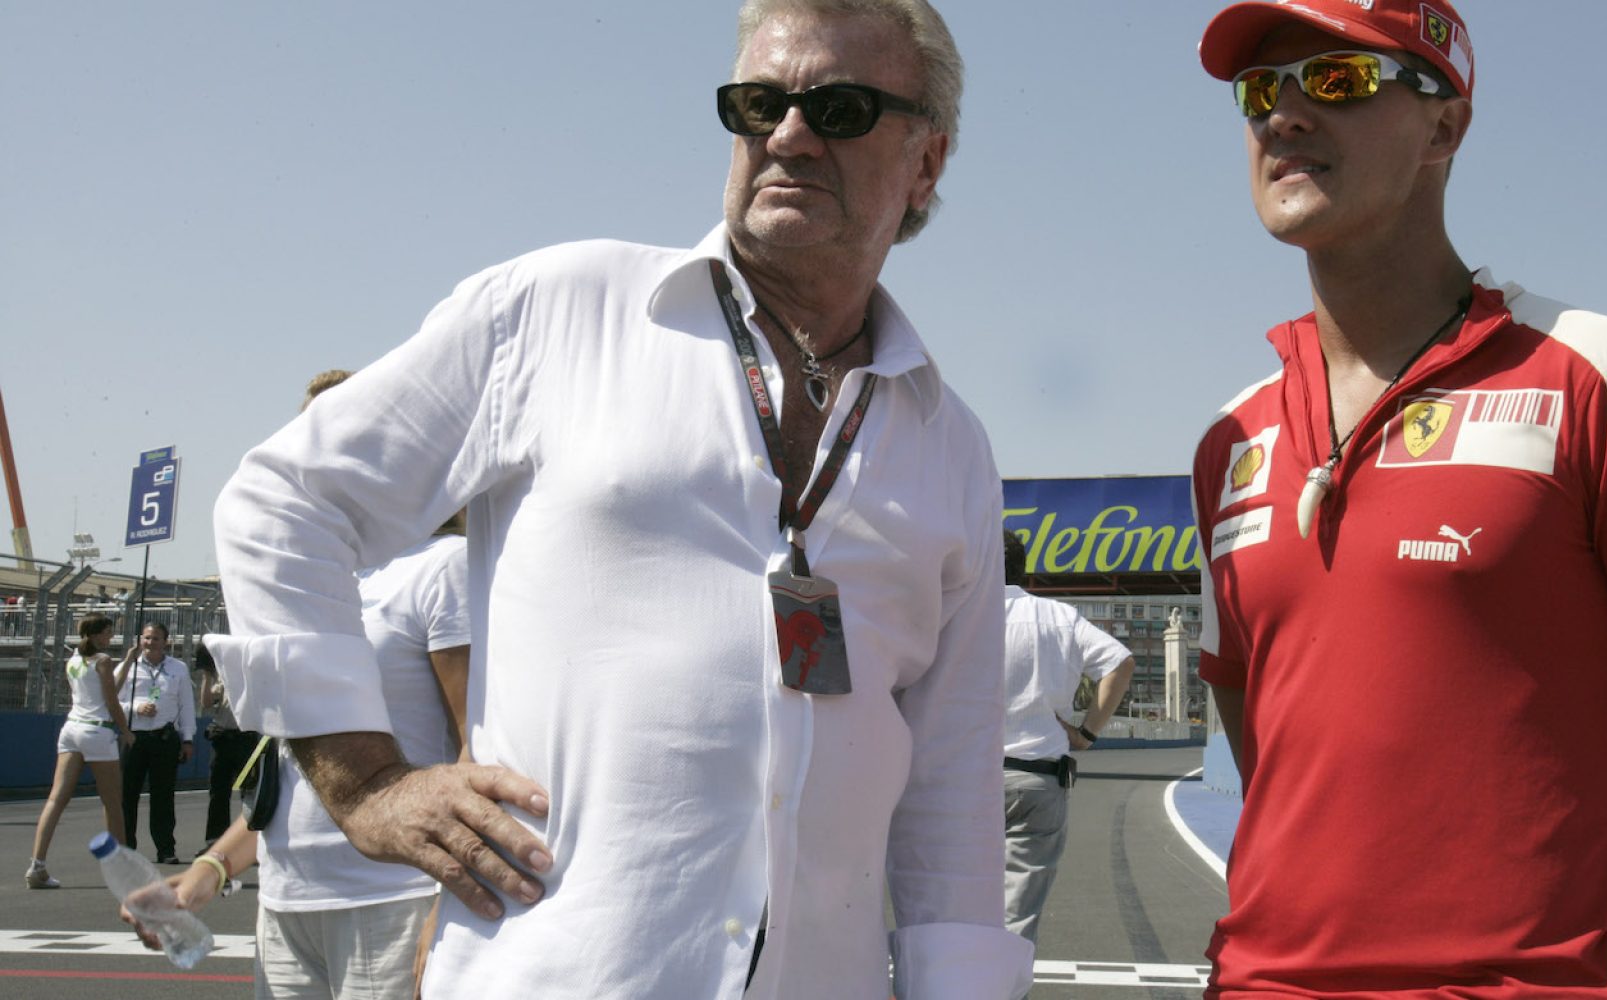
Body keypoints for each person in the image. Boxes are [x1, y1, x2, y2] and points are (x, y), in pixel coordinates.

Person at [205, 2, 1028, 997]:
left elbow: (951, 778)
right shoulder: (560, 310)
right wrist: (365, 779)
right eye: (758, 103)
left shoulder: (950, 443)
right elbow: (281, 502)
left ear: (927, 162)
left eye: (840, 108)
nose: (788, 135)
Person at [1187, 3, 1607, 998]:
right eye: (1261, 90)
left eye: (1337, 81)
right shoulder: (1231, 439)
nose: (1284, 115)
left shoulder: (1605, 372)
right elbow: (1273, 767)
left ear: (1444, 127)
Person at [126, 368, 474, 998]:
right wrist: (209, 868)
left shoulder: (441, 569)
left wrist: (453, 904)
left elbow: (480, 747)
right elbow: (291, 769)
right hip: (286, 907)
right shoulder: (302, 587)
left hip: (395, 900)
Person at [999, 530, 1134, 947]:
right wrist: (1087, 733)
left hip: (957, 780)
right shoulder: (1057, 617)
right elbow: (1120, 663)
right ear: (1023, 570)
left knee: (951, 909)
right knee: (1015, 918)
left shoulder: (951, 612)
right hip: (1037, 781)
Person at [26, 613, 134, 888]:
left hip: (71, 729)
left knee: (56, 799)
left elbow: (105, 689)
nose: (111, 637)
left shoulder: (73, 660)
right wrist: (126, 731)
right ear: (97, 634)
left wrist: (129, 661)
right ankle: (121, 868)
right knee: (112, 803)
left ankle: (37, 865)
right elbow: (111, 701)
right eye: (109, 632)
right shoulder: (103, 660)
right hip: (97, 731)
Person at [119, 620, 196, 864]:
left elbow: (186, 705)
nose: (150, 643)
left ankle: (166, 848)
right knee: (127, 795)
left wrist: (187, 738)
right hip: (134, 737)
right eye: (146, 638)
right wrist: (135, 707)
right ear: (140, 640)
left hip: (164, 738)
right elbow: (111, 701)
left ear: (166, 642)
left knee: (163, 796)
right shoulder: (127, 667)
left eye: (155, 639)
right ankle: (126, 848)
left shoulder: (179, 668)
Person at [195, 642, 260, 854]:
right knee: (218, 792)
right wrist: (207, 675)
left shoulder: (252, 678)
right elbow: (205, 703)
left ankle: (250, 844)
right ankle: (215, 842)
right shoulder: (222, 678)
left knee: (250, 792)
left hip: (246, 738)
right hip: (223, 737)